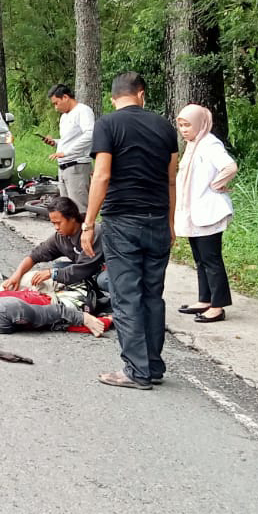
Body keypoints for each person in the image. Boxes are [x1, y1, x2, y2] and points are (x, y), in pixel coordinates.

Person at [81, 71, 180, 390]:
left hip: (123, 221)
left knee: (126, 296)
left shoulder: (107, 124)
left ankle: (136, 371)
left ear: (114, 98)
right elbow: (171, 178)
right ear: (142, 94)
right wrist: (170, 222)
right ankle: (152, 365)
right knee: (153, 295)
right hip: (157, 220)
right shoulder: (165, 127)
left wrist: (88, 222)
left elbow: (102, 176)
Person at [174, 104, 239, 323]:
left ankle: (218, 306)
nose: (184, 130)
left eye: (188, 125)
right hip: (195, 212)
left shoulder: (210, 144)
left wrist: (215, 185)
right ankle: (205, 299)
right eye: (181, 125)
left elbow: (230, 167)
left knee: (211, 259)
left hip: (208, 211)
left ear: (200, 124)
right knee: (200, 258)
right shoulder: (193, 145)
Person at [0, 197, 104, 291]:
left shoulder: (93, 233)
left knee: (103, 280)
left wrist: (52, 273)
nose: (56, 227)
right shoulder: (60, 236)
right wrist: (16, 275)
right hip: (85, 269)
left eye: (59, 223)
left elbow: (84, 269)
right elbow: (35, 255)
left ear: (72, 218)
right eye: (53, 223)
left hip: (103, 269)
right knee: (58, 267)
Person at [41, 84, 96, 211]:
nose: (56, 108)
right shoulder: (64, 117)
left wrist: (66, 152)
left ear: (65, 97)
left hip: (77, 166)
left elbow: (90, 134)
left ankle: (85, 230)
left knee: (79, 208)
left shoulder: (83, 111)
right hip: (63, 167)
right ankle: (68, 231)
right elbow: (69, 140)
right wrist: (55, 142)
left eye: (56, 103)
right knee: (66, 209)